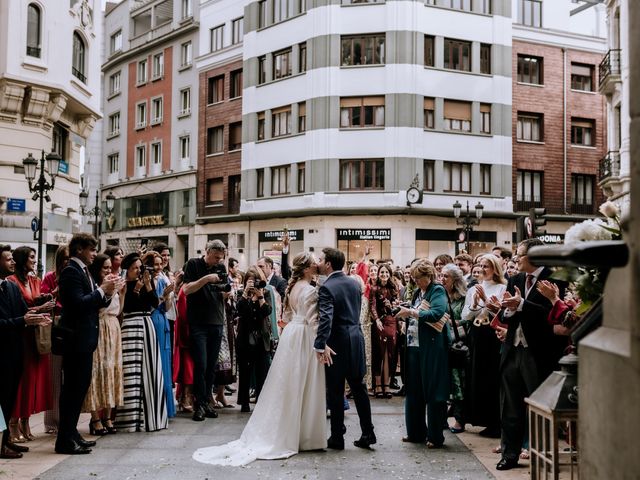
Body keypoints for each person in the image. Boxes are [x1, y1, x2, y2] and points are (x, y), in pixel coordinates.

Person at [193, 252, 327, 466]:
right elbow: (313, 320)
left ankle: (294, 429)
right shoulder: (310, 291)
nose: (317, 267)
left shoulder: (293, 288)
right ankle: (305, 434)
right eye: (314, 264)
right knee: (304, 382)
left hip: (292, 334)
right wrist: (323, 344)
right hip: (303, 336)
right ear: (307, 268)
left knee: (290, 383)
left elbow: (287, 317)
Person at [496, 238, 562, 471]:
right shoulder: (514, 278)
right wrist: (507, 308)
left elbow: (551, 315)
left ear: (533, 256)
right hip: (513, 349)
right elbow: (505, 316)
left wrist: (522, 305)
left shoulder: (555, 279)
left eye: (519, 254)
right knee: (510, 407)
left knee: (541, 408)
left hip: (539, 352)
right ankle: (509, 454)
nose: (515, 259)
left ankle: (541, 456)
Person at [56, 234, 117, 454]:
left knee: (79, 390)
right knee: (72, 391)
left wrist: (108, 292)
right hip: (76, 340)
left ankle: (71, 434)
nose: (94, 254)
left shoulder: (83, 271)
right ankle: (64, 439)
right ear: (80, 249)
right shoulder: (71, 271)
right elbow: (78, 304)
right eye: (91, 250)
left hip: (85, 340)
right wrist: (102, 290)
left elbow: (95, 302)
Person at [314, 247, 375, 450]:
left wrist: (320, 344)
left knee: (335, 390)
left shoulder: (327, 287)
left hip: (337, 342)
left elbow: (326, 319)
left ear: (329, 263)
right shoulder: (353, 283)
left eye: (321, 259)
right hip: (356, 338)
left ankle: (337, 436)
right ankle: (368, 432)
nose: (318, 262)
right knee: (359, 388)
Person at [0, 245, 51, 459]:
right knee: (2, 400)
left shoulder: (9, 287)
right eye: (8, 259)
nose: (12, 262)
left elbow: (23, 311)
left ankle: (6, 442)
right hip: (2, 351)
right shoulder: (11, 284)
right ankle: (3, 444)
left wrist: (38, 315)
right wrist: (25, 319)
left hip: (15, 350)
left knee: (9, 398)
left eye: (13, 258)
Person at [395, 259, 449, 448]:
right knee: (413, 390)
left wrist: (410, 312)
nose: (415, 281)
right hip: (413, 346)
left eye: (418, 278)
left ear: (428, 276)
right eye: (413, 278)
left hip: (431, 348)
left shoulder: (437, 290)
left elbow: (437, 313)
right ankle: (416, 432)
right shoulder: (419, 292)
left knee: (433, 391)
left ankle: (435, 436)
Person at [114, 253, 167, 433]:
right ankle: (129, 419)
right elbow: (125, 306)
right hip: (130, 326)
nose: (138, 271)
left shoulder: (146, 281)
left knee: (150, 368)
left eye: (139, 267)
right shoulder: (123, 285)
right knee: (131, 372)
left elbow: (154, 304)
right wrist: (136, 289)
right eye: (134, 268)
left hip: (147, 324)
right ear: (126, 270)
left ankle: (151, 418)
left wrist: (147, 285)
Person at [461, 254, 506, 439]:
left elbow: (502, 312)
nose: (483, 269)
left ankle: (495, 421)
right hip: (477, 335)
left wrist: (486, 299)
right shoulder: (473, 289)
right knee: (476, 375)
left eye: (487, 266)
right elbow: (466, 316)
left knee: (492, 376)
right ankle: (481, 418)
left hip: (493, 335)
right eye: (481, 265)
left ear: (495, 268)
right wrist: (473, 303)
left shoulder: (503, 287)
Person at [182, 240, 227, 421]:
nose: (218, 261)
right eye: (216, 257)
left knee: (211, 367)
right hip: (198, 323)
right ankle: (198, 404)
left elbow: (222, 291)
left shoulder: (221, 267)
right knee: (200, 364)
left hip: (216, 321)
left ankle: (207, 401)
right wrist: (207, 279)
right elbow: (186, 290)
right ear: (207, 251)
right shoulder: (193, 264)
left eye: (221, 258)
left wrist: (226, 293)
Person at [82, 254, 125, 435]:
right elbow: (98, 309)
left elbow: (118, 310)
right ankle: (95, 418)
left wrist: (122, 294)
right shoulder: (95, 286)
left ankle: (108, 416)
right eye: (105, 268)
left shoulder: (113, 284)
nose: (109, 271)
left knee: (112, 370)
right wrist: (110, 290)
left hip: (113, 327)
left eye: (110, 267)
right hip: (100, 327)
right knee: (97, 372)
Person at [144, 251, 176, 419]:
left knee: (164, 361)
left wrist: (168, 296)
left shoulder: (163, 279)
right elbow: (149, 305)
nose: (158, 267)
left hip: (162, 319)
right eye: (155, 264)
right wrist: (163, 297)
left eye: (160, 264)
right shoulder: (146, 281)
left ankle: (165, 408)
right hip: (152, 319)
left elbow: (168, 307)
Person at [235, 266, 272, 413]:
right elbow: (240, 310)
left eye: (255, 281)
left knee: (261, 371)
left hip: (261, 338)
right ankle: (244, 402)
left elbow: (267, 312)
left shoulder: (266, 292)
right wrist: (246, 294)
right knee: (244, 372)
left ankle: (261, 401)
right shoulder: (240, 294)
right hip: (244, 338)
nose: (253, 284)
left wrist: (260, 297)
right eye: (250, 281)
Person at [41, 245, 69, 434]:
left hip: (71, 327)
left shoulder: (76, 276)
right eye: (64, 258)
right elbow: (42, 300)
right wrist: (55, 293)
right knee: (54, 377)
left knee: (70, 378)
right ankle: (52, 422)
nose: (67, 261)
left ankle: (67, 420)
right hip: (55, 326)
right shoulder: (50, 277)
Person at [440, 263, 468, 434]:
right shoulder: (440, 295)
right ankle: (442, 418)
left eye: (446, 276)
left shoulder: (463, 298)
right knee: (442, 381)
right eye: (441, 275)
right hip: (441, 344)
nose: (442, 279)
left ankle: (459, 419)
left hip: (456, 345)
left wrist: (452, 321)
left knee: (458, 383)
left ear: (455, 280)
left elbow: (467, 321)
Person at [369, 263, 399, 399]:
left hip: (391, 321)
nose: (384, 275)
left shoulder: (394, 288)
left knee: (389, 353)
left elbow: (397, 306)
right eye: (382, 272)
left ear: (390, 274)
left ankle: (387, 385)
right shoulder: (374, 288)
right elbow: (372, 306)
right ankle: (378, 384)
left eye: (387, 272)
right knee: (379, 353)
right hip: (379, 322)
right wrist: (376, 320)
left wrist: (393, 305)